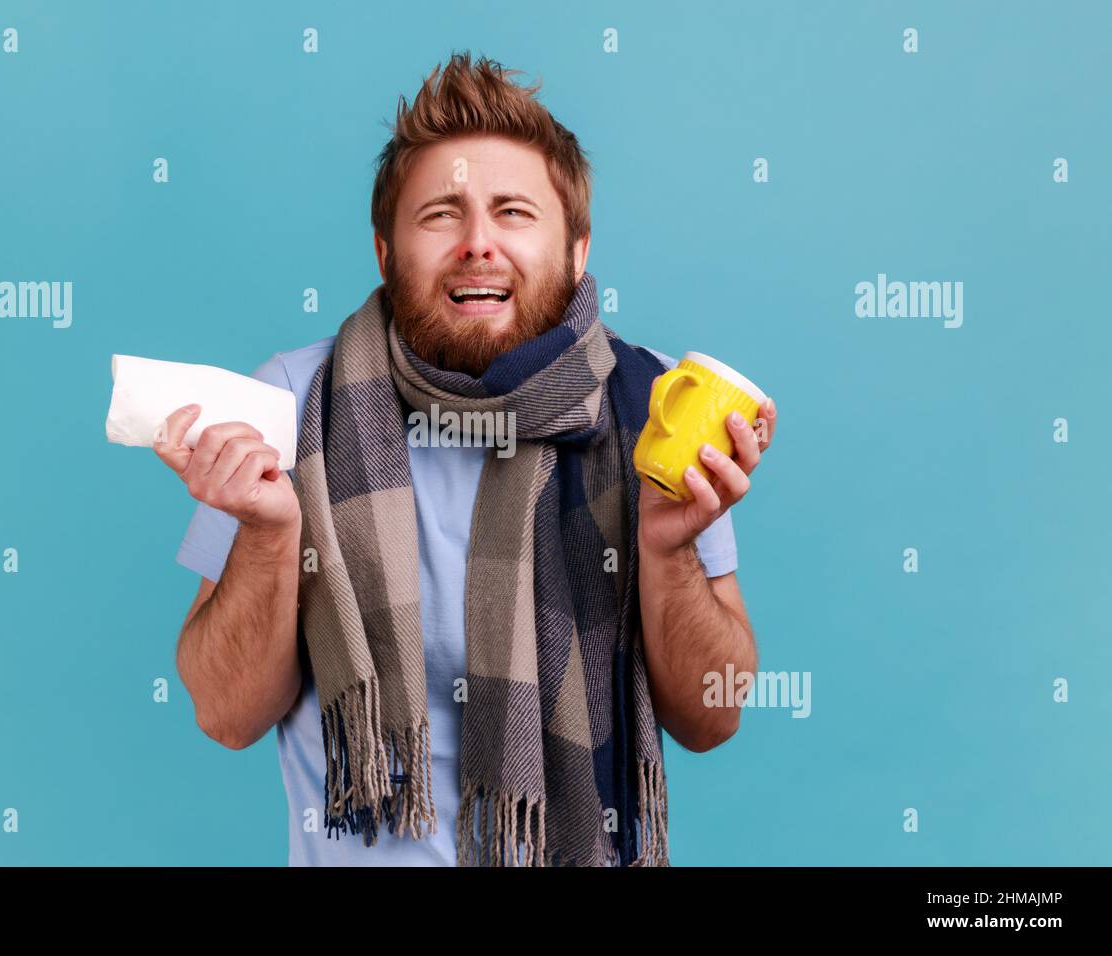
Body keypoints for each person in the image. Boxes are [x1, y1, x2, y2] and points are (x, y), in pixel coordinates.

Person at [156, 52, 776, 866]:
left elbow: (711, 717)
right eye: (441, 214)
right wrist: (272, 540)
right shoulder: (293, 401)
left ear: (578, 249)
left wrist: (665, 551)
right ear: (384, 252)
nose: (478, 244)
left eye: (514, 212)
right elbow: (226, 715)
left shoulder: (650, 405)